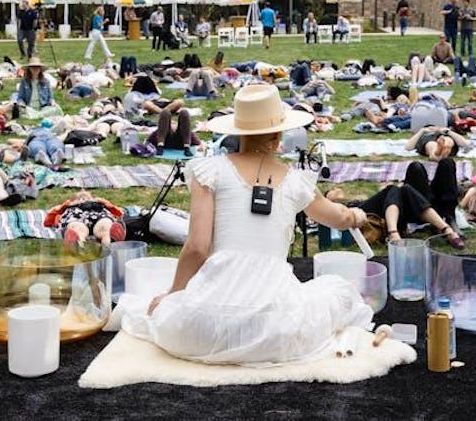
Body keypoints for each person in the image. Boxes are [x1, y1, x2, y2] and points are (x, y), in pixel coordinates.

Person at [119, 83, 374, 365]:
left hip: (204, 328)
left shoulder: (210, 170)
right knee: (337, 290)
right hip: (279, 331)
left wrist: (172, 296)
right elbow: (338, 218)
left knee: (156, 310)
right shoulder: (295, 181)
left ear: (237, 133)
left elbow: (197, 248)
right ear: (279, 136)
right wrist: (356, 216)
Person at [328, 159, 464, 247]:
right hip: (370, 212)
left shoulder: (355, 197)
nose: (336, 188)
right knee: (397, 186)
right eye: (332, 190)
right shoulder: (334, 205)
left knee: (445, 163)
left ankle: (447, 223)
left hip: (408, 207)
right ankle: (446, 229)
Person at [45, 191, 126, 247]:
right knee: (77, 229)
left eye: (87, 196)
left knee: (105, 227)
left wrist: (103, 202)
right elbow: (48, 220)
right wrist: (65, 205)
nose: (84, 197)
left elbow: (120, 213)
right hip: (76, 216)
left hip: (100, 214)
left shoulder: (101, 204)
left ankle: (110, 243)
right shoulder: (68, 206)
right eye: (80, 197)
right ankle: (78, 247)